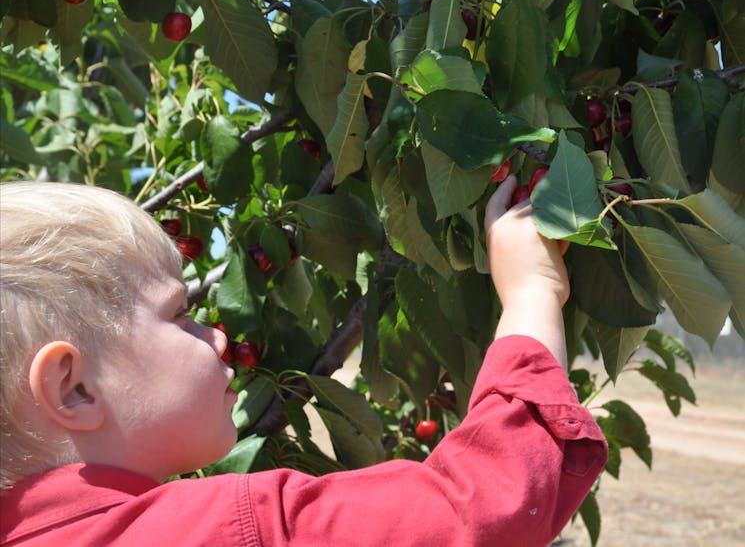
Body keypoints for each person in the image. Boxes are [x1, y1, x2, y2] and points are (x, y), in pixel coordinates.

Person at [0, 175, 607, 546]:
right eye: (179, 315)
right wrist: (533, 292)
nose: (214, 336)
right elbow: (485, 506)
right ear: (73, 388)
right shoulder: (228, 532)